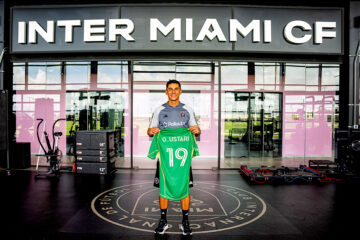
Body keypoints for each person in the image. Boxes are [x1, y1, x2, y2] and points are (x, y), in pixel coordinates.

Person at [147, 79, 200, 235]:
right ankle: (163, 220)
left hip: (182, 161)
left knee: (185, 188)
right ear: (166, 91)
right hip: (165, 158)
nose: (173, 91)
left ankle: (185, 221)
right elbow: (150, 131)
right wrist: (151, 131)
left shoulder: (188, 109)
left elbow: (196, 130)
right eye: (170, 89)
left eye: (176, 89)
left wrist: (197, 130)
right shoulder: (159, 110)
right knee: (163, 188)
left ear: (180, 91)